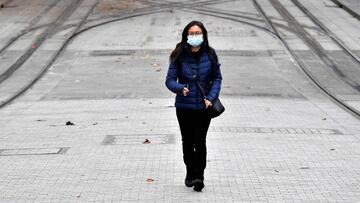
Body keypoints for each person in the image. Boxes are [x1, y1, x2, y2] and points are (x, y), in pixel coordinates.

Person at [165, 21, 222, 192]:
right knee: (187, 141)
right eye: (192, 33)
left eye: (198, 33)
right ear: (186, 35)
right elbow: (169, 80)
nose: (195, 36)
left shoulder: (211, 55)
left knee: (200, 140)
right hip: (184, 106)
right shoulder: (179, 55)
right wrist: (179, 88)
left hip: (204, 107)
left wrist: (211, 97)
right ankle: (190, 173)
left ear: (203, 35)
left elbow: (217, 79)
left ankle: (199, 177)